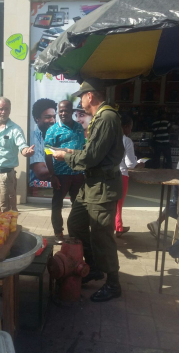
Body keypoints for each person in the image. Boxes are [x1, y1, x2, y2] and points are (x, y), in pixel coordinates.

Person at [52, 78, 124, 302]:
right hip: (91, 185)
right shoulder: (99, 118)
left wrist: (66, 156)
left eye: (81, 96)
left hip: (102, 187)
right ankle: (94, 267)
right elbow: (92, 152)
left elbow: (91, 157)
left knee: (102, 236)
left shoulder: (107, 117)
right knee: (75, 223)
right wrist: (70, 153)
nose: (80, 101)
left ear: (90, 96)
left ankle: (113, 284)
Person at [0, 97, 34, 212]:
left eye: (6, 109)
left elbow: (22, 146)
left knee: (7, 209)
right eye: (1, 109)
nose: (3, 112)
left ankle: (8, 230)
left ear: (10, 111)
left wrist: (26, 151)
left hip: (6, 176)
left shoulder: (15, 130)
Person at [45, 100, 85, 244]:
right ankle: (58, 233)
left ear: (72, 111)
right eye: (60, 111)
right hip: (61, 175)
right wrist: (52, 175)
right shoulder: (52, 130)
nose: (63, 113)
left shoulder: (79, 128)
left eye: (66, 111)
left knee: (79, 205)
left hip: (78, 174)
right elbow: (47, 154)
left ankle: (75, 231)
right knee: (57, 205)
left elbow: (83, 148)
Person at [116, 115, 144, 238]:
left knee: (112, 203)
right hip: (122, 175)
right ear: (126, 127)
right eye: (130, 128)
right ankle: (118, 227)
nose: (131, 131)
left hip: (109, 174)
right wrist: (140, 164)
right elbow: (130, 165)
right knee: (119, 203)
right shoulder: (126, 140)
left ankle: (118, 226)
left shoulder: (110, 138)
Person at [29, 98, 56, 186]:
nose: (53, 121)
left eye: (54, 117)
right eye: (48, 117)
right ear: (37, 118)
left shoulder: (55, 136)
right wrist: (69, 166)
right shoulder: (33, 138)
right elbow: (41, 173)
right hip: (38, 191)